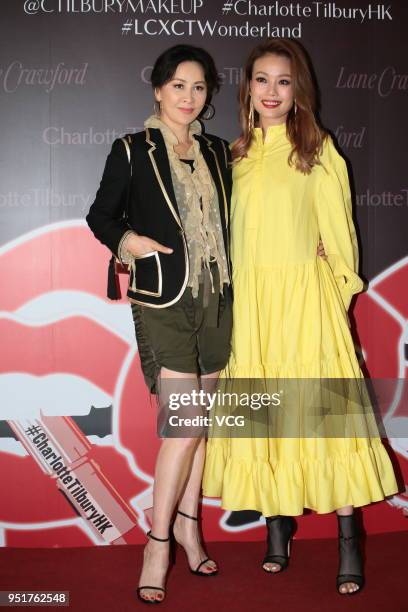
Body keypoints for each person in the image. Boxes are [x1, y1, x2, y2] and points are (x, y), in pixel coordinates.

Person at [202, 38, 398, 595]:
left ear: (298, 90)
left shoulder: (317, 150)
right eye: (261, 80)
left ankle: (348, 537)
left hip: (306, 305)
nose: (271, 91)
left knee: (325, 419)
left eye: (283, 81)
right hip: (252, 310)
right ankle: (275, 530)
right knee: (264, 415)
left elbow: (340, 237)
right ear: (247, 88)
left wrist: (333, 294)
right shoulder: (232, 157)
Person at [86, 44, 234, 604]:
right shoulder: (132, 149)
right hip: (164, 299)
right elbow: (101, 215)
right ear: (157, 89)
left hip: (218, 299)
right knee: (184, 427)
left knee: (201, 428)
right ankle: (158, 543)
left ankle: (192, 530)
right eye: (178, 86)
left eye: (198, 88)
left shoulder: (220, 153)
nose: (188, 98)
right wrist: (129, 242)